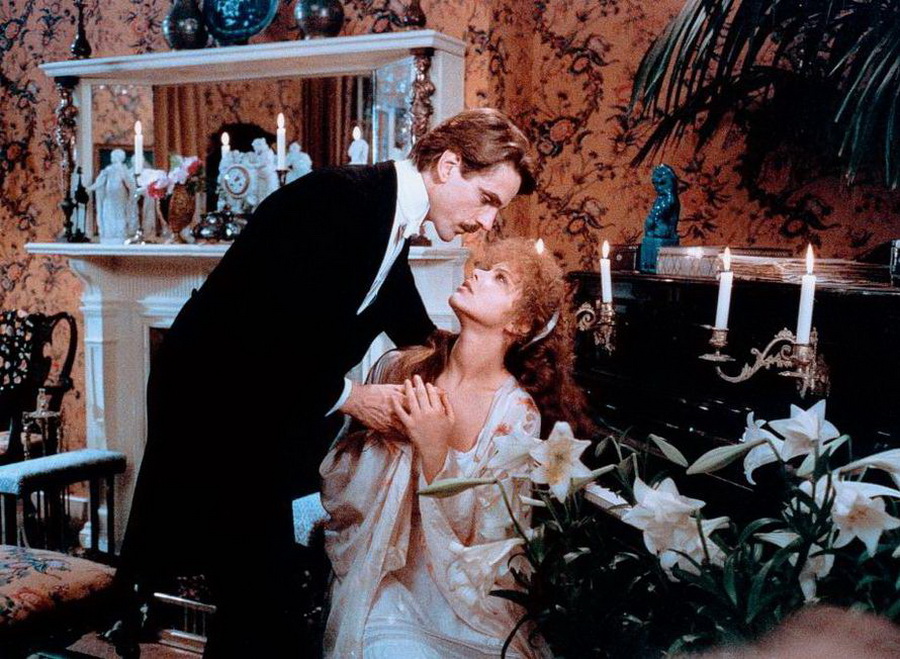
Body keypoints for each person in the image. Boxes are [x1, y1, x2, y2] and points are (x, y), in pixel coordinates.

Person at [114, 108, 536, 658]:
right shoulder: (336, 200)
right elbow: (258, 338)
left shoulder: (389, 213)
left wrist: (495, 363)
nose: (487, 222)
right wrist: (353, 397)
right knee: (257, 598)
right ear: (449, 166)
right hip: (215, 403)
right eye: (487, 200)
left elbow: (394, 301)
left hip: (266, 409)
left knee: (257, 602)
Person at [321, 238, 591, 658]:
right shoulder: (400, 367)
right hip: (385, 579)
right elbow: (339, 488)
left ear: (520, 324)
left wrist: (435, 450)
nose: (476, 273)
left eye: (499, 278)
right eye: (483, 268)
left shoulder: (515, 412)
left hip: (466, 602)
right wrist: (385, 442)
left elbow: (489, 540)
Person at [89, 148, 134, 243]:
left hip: (116, 195)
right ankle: (114, 233)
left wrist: (89, 188)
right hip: (113, 194)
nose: (111, 158)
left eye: (112, 156)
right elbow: (130, 183)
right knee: (114, 213)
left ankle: (115, 233)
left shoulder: (112, 169)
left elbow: (99, 182)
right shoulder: (120, 169)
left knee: (112, 212)